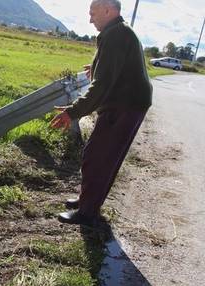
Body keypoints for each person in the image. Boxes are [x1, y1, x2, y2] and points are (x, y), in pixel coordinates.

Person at [50, 0, 152, 226]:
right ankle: (88, 200)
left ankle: (88, 213)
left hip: (125, 104)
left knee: (99, 157)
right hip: (127, 102)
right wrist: (94, 68)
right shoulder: (119, 31)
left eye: (93, 13)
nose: (90, 19)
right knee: (98, 154)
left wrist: (73, 112)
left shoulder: (116, 35)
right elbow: (114, 66)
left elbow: (102, 84)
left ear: (108, 9)